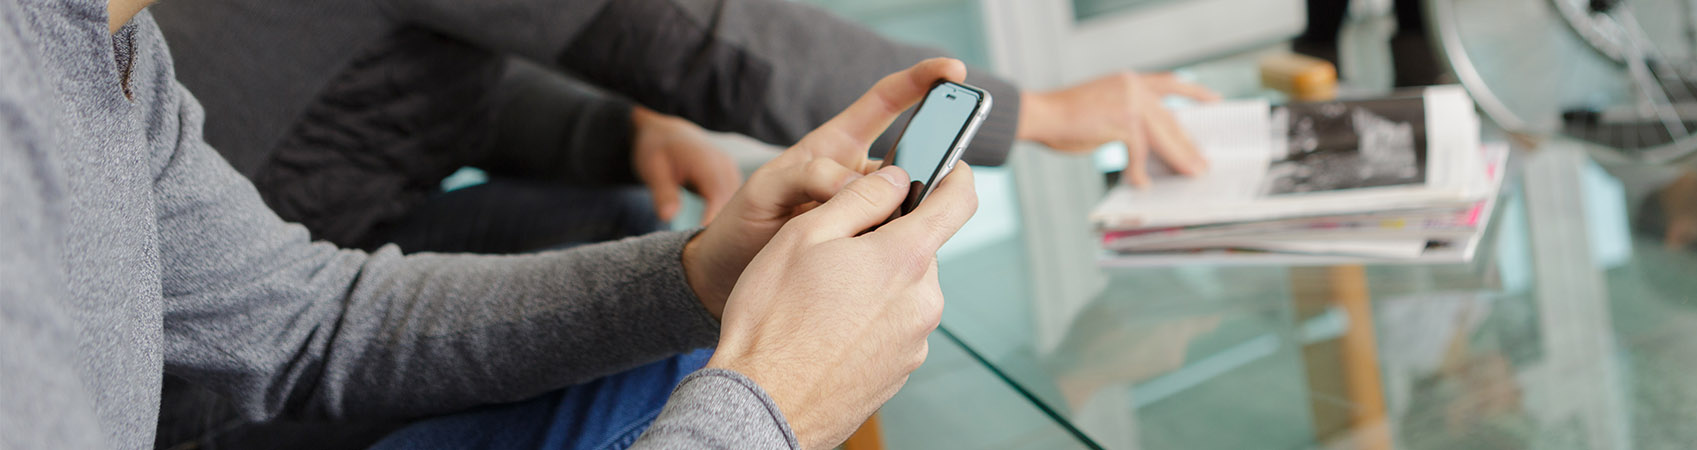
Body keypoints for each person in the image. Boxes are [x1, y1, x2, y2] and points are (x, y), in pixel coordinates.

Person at [0, 0, 979, 447]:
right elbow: (709, 45)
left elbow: (310, 321)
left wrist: (697, 277)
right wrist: (772, 407)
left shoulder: (118, 52)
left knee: (683, 331)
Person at [147, 0, 1221, 252]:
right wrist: (1044, 112)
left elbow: (385, 76)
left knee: (634, 211)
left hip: (258, 252)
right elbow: (695, 37)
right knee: (693, 272)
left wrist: (617, 133)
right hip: (210, 363)